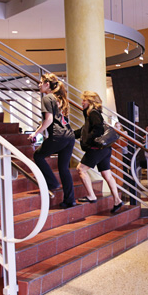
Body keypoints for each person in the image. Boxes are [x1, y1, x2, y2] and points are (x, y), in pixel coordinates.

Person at [28, 73, 76, 208]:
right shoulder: (60, 98)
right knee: (64, 168)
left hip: (58, 136)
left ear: (47, 84)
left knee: (38, 155)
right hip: (69, 136)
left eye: (40, 82)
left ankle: (52, 183)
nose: (38, 85)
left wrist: (36, 133)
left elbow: (49, 120)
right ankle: (70, 200)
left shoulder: (47, 98)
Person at [74, 91, 124, 214]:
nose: (82, 102)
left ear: (90, 101)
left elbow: (98, 129)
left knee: (81, 169)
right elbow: (84, 130)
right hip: (105, 149)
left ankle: (91, 196)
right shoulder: (92, 114)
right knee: (107, 175)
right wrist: (71, 135)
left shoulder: (93, 113)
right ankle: (117, 200)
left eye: (84, 100)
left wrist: (89, 141)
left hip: (96, 149)